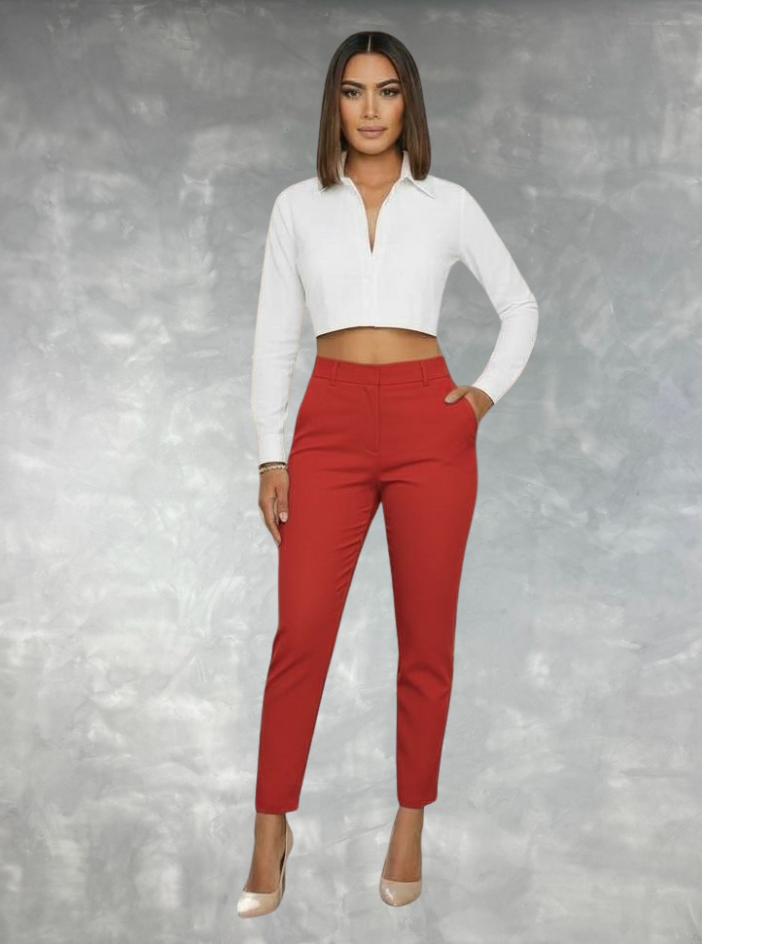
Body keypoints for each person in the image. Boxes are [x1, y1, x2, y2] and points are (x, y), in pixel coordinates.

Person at [238, 30, 539, 917]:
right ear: (333, 103)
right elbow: (274, 336)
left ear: (410, 102)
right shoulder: (298, 206)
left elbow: (520, 305)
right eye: (353, 91)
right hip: (328, 424)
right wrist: (271, 451)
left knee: (426, 638)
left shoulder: (447, 204)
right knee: (301, 633)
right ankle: (268, 828)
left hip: (426, 422)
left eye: (387, 90)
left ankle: (410, 820)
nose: (370, 109)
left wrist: (477, 400)